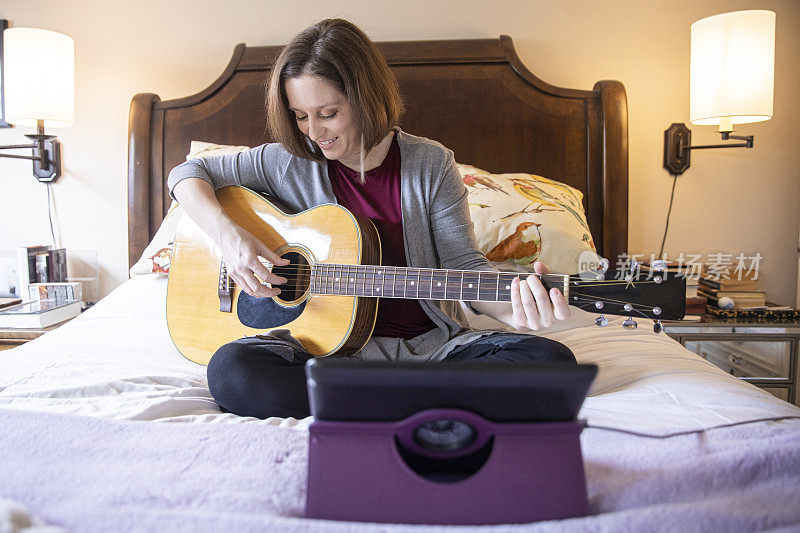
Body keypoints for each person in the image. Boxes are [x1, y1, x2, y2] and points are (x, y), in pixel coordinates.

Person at [168, 19, 575, 419]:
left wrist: (514, 307)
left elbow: (463, 268)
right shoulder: (289, 161)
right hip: (321, 352)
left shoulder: (431, 164)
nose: (314, 132)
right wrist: (231, 238)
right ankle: (421, 402)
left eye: (328, 112)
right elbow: (186, 174)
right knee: (232, 372)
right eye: (300, 115)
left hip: (430, 351)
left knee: (550, 362)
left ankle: (366, 401)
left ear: (365, 98)